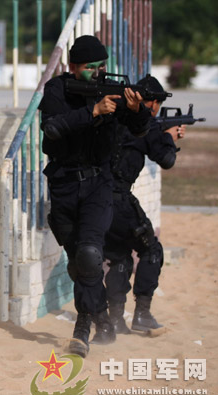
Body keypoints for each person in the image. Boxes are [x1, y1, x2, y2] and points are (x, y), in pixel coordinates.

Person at [38, 35, 151, 357]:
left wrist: (136, 108)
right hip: (63, 185)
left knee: (89, 255)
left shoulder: (113, 92)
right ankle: (101, 318)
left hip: (98, 186)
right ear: (73, 67)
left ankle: (81, 329)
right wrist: (93, 111)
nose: (99, 73)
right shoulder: (57, 90)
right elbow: (53, 128)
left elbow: (141, 128)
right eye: (91, 67)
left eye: (102, 66)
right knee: (79, 264)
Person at [104, 75, 181, 336]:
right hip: (120, 197)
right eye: (156, 104)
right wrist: (169, 137)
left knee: (119, 257)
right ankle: (142, 314)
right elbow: (166, 159)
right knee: (152, 250)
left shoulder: (115, 117)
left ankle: (116, 319)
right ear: (151, 103)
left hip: (99, 199)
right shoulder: (144, 124)